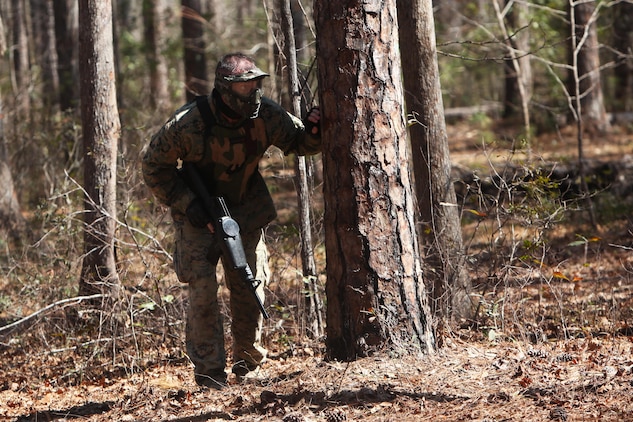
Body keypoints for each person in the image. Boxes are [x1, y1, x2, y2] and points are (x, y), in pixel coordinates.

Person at [142, 52, 322, 389]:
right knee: (203, 293)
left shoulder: (266, 114)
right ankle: (210, 374)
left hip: (245, 212)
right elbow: (153, 166)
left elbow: (299, 142)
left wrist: (314, 129)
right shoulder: (187, 123)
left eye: (256, 84)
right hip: (198, 219)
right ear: (225, 89)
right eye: (244, 86)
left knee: (249, 286)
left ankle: (248, 365)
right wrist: (187, 203)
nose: (253, 92)